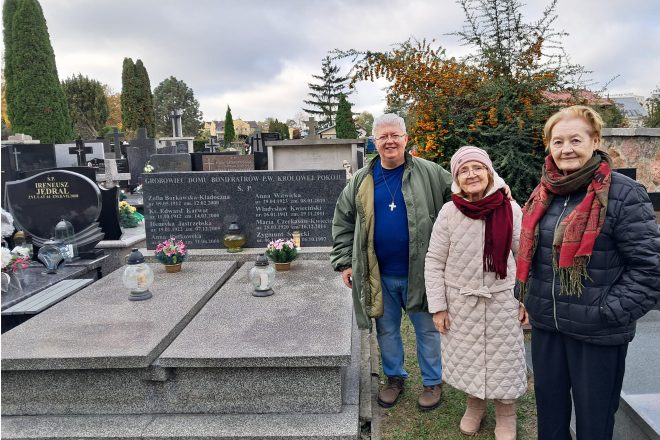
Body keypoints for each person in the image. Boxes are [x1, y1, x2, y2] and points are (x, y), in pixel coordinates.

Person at [516, 105, 660, 440]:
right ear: (549, 146)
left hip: (597, 333)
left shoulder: (623, 193)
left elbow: (650, 267)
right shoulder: (544, 192)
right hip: (548, 328)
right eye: (558, 141)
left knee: (594, 424)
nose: (566, 149)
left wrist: (610, 311)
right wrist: (526, 300)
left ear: (594, 141)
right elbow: (533, 256)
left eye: (575, 140)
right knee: (550, 421)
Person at [331, 113, 452, 410]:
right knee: (386, 330)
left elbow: (465, 192)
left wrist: (499, 189)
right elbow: (343, 221)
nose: (389, 141)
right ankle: (394, 377)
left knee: (426, 329)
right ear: (374, 141)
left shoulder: (430, 173)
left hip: (421, 272)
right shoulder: (361, 179)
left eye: (395, 135)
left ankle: (432, 382)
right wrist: (345, 262)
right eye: (383, 136)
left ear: (406, 139)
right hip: (379, 273)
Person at [425, 146, 527, 440]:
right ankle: (475, 405)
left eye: (477, 168)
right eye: (464, 170)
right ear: (456, 177)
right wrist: (439, 307)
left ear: (489, 171)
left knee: (505, 359)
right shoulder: (449, 212)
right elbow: (434, 261)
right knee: (468, 357)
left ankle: (506, 414)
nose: (472, 175)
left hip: (502, 299)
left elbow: (524, 258)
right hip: (462, 301)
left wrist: (526, 299)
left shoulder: (510, 209)